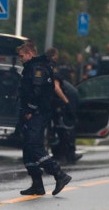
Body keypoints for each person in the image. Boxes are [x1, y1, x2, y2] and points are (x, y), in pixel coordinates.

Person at [17, 41, 72, 196]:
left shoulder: (38, 69)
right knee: (28, 148)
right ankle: (37, 184)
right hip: (31, 113)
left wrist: (30, 110)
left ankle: (59, 174)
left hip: (37, 113)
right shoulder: (31, 67)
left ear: (30, 53)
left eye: (22, 56)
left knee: (34, 145)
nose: (21, 59)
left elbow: (37, 93)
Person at [46, 47, 82, 164]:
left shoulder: (43, 66)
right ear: (55, 56)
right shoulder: (53, 68)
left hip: (47, 103)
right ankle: (65, 154)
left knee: (54, 129)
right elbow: (56, 87)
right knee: (64, 129)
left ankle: (60, 153)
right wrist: (66, 101)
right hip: (55, 104)